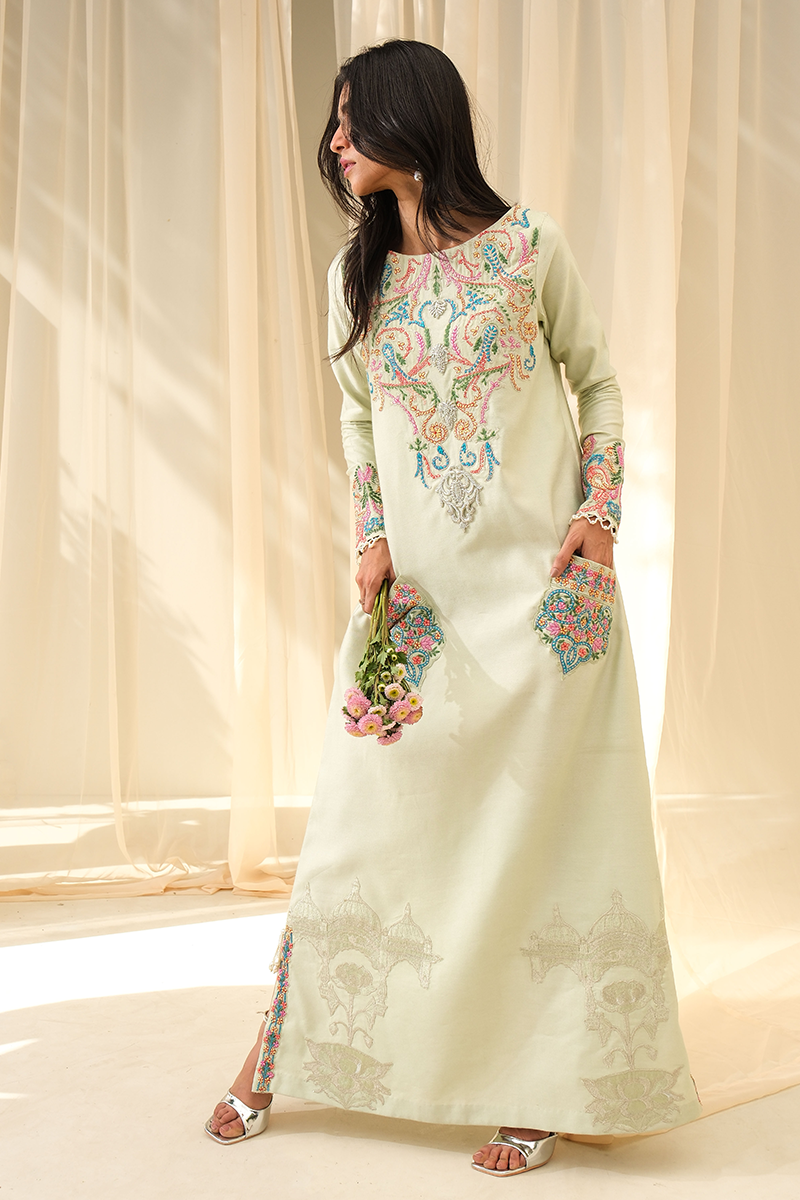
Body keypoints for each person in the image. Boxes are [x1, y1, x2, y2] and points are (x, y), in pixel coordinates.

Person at [205, 38, 701, 1176]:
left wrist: (600, 517)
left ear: (410, 120)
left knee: (550, 842)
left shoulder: (529, 249)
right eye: (334, 125)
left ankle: (538, 1084)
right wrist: (372, 535)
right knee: (362, 829)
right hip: (419, 611)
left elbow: (599, 382)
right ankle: (274, 1052)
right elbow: (354, 415)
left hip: (542, 606)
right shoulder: (357, 276)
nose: (335, 142)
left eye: (351, 120)